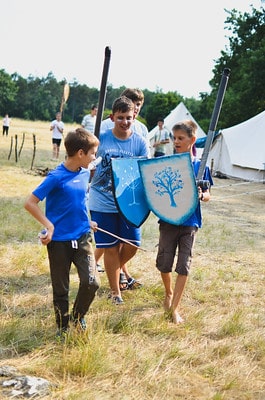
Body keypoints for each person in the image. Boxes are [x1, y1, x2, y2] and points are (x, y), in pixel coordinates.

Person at [24, 128, 100, 338]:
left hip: (83, 237)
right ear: (80, 153)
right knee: (61, 289)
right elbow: (30, 203)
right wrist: (49, 226)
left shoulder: (85, 173)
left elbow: (80, 201)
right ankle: (62, 327)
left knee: (92, 282)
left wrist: (87, 220)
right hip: (59, 242)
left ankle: (77, 317)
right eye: (93, 153)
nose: (94, 158)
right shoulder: (56, 177)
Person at [89, 96, 149, 304]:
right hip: (102, 200)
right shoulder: (101, 139)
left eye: (129, 118)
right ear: (112, 117)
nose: (125, 122)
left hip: (129, 202)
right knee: (111, 247)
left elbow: (145, 172)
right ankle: (116, 293)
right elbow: (88, 165)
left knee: (133, 243)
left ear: (134, 117)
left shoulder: (139, 143)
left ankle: (111, 269)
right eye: (120, 117)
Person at [156, 120, 213, 324]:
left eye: (181, 138)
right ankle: (168, 292)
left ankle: (174, 309)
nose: (176, 141)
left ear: (192, 140)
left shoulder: (200, 167)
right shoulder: (166, 163)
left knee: (183, 266)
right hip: (168, 220)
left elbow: (208, 194)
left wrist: (201, 195)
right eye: (174, 138)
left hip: (190, 222)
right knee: (164, 264)